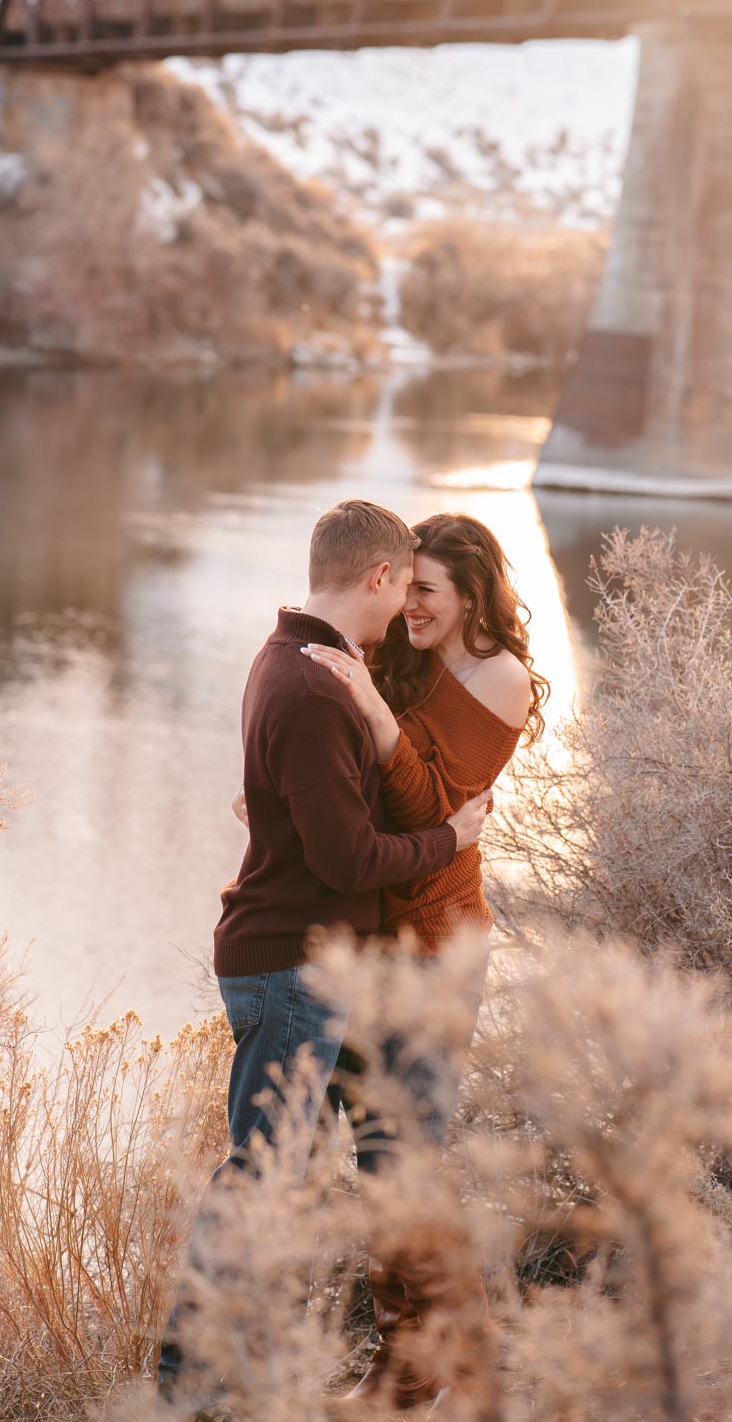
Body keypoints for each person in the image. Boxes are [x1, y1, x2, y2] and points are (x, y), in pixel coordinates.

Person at [156, 499, 491, 1401]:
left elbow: (320, 818)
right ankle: (194, 1388)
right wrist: (453, 841)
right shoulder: (314, 685)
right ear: (377, 577)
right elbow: (348, 859)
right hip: (291, 963)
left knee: (311, 1168)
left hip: (299, 962)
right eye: (401, 590)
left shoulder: (300, 662)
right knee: (260, 1177)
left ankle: (309, 1371)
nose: (402, 620)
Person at [300, 511, 549, 1407]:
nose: (409, 605)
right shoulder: (406, 655)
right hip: (370, 931)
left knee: (409, 1156)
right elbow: (361, 789)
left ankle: (435, 1363)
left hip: (439, 943)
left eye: (427, 592)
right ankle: (412, 1357)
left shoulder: (501, 678)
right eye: (404, 588)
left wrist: (366, 700)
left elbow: (424, 808)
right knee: (379, 1157)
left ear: (472, 593)